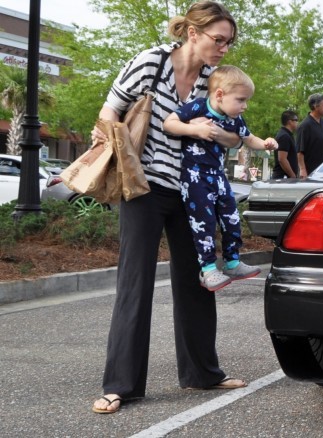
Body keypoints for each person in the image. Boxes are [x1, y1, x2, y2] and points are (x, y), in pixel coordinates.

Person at [91, 1, 247, 415]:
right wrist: (110, 146)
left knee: (199, 279)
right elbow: (110, 110)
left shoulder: (216, 81)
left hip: (191, 192)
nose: (224, 49)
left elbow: (234, 133)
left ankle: (202, 372)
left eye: (229, 42)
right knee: (135, 284)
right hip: (143, 187)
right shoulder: (150, 64)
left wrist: (214, 132)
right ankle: (120, 385)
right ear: (192, 34)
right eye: (219, 40)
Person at [163, 65, 278, 291]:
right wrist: (195, 130)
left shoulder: (234, 119)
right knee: (203, 222)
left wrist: (265, 144)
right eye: (241, 100)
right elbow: (169, 123)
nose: (244, 106)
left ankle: (232, 262)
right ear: (219, 95)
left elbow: (249, 139)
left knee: (231, 216)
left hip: (218, 175)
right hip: (195, 177)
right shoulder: (197, 108)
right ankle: (207, 269)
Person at [296, 93, 323, 178]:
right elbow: (299, 152)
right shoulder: (305, 126)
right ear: (316, 106)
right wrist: (302, 169)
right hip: (311, 172)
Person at [272, 110, 300, 178]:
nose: (297, 122)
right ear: (289, 121)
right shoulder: (284, 136)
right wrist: (292, 175)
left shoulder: (287, 135)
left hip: (285, 178)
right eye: (296, 120)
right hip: (282, 178)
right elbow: (282, 159)